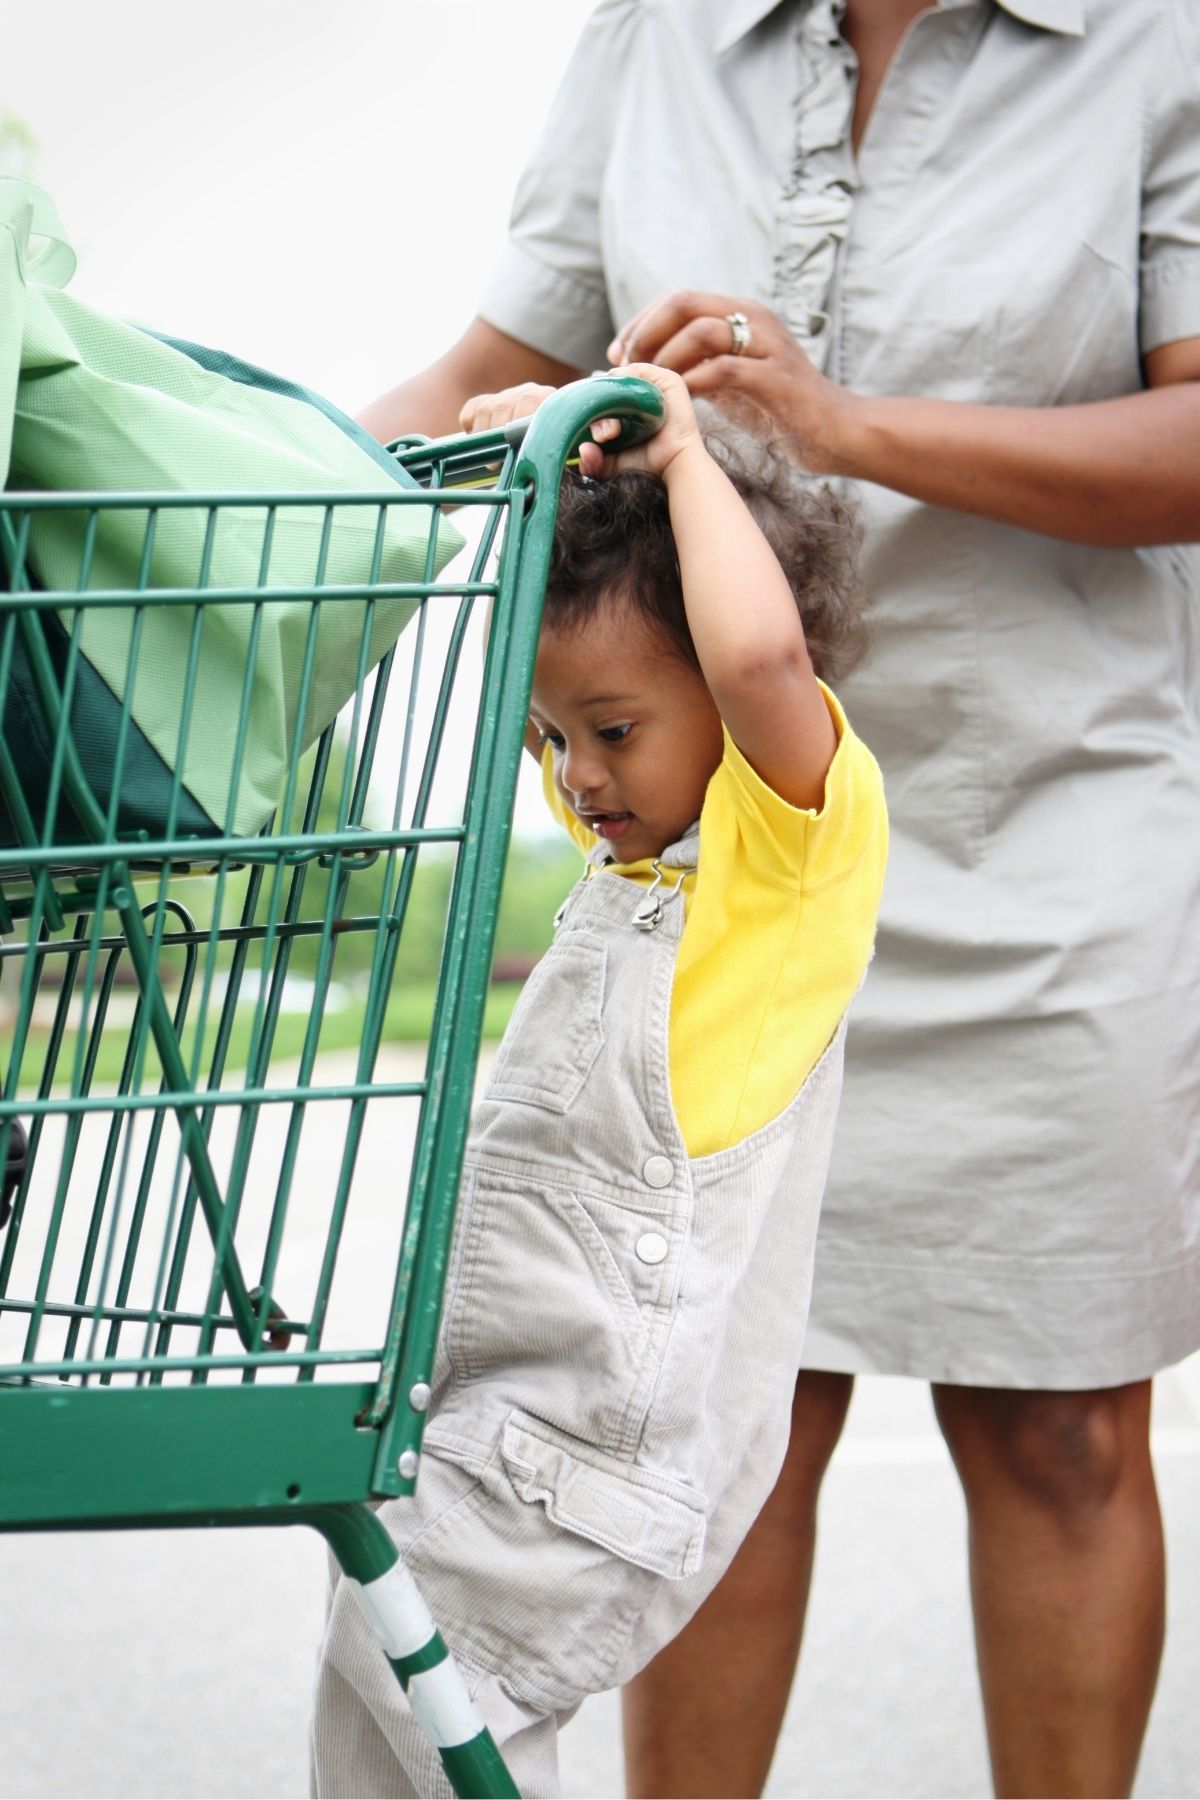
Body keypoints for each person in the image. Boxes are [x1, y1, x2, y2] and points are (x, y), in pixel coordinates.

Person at [354, 3, 1200, 1796]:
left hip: (1041, 818)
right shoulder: (658, 35)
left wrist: (839, 425)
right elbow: (472, 372)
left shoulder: (1150, 40)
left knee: (1059, 1430)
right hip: (698, 856)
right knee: (729, 1429)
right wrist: (196, 512)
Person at [311, 368, 887, 1797]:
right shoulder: (630, 869)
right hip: (504, 1406)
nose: (576, 777)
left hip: (590, 1445)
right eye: (557, 740)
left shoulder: (787, 848)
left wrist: (683, 451)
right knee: (377, 1682)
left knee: (444, 1703)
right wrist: (532, 495)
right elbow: (562, 671)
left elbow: (753, 662)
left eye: (614, 732)